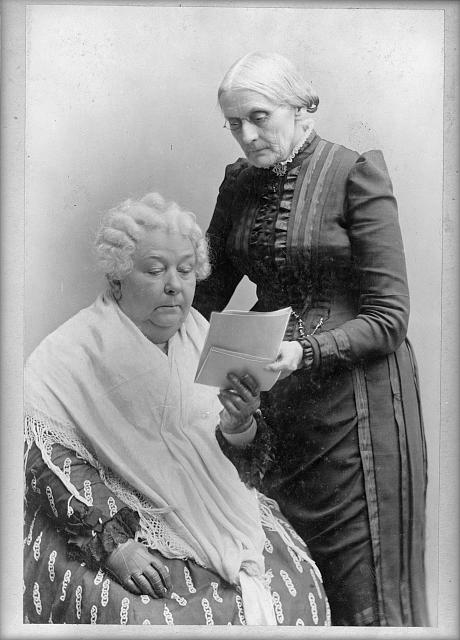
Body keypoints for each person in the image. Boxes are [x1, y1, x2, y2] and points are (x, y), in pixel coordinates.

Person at [193, 51, 429, 626]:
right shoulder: (240, 184)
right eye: (233, 123)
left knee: (362, 600)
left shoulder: (355, 174)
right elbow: (206, 293)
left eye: (259, 117)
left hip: (356, 417)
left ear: (306, 110)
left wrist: (305, 351)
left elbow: (389, 317)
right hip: (276, 410)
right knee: (290, 594)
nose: (246, 136)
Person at [23, 191, 330, 626]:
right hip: (118, 516)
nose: (175, 285)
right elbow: (46, 460)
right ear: (116, 281)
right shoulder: (67, 353)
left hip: (218, 508)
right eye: (154, 270)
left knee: (296, 590)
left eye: (186, 271)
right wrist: (116, 545)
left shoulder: (202, 336)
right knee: (150, 616)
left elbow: (240, 461)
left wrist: (240, 424)